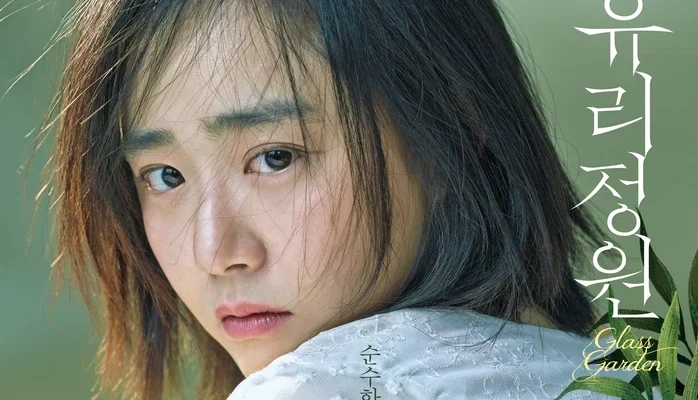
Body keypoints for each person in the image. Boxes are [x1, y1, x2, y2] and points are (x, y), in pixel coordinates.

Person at [27, 0, 661, 399]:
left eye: (276, 158)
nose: (215, 251)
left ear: (449, 133)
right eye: (165, 176)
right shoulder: (621, 376)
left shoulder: (314, 388)